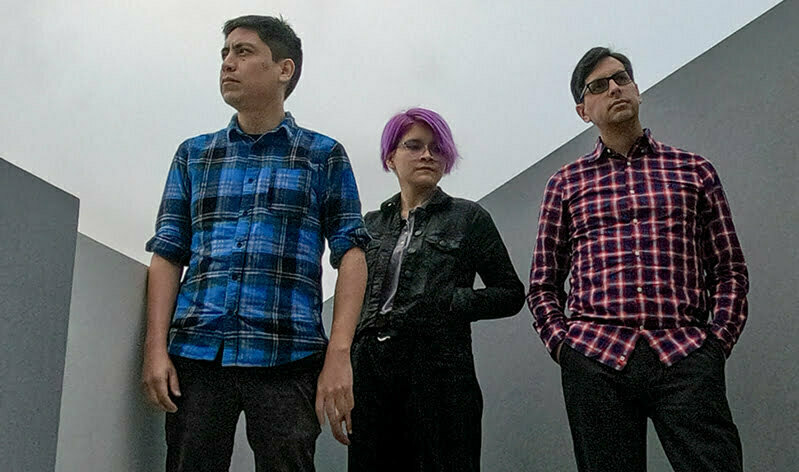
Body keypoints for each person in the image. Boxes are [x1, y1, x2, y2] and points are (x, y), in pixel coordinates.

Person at [141, 15, 369, 472]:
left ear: (284, 69)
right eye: (225, 53)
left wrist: (339, 355)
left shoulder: (322, 154)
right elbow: (168, 252)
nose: (228, 63)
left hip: (289, 354)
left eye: (243, 52)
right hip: (197, 353)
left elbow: (352, 252)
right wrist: (154, 348)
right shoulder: (194, 154)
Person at [528, 47, 748, 472]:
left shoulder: (694, 171)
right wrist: (564, 347)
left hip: (685, 352)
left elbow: (729, 269)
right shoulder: (564, 184)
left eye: (622, 78)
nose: (614, 88)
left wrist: (716, 343)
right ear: (583, 111)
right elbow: (543, 283)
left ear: (637, 90)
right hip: (596, 357)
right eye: (598, 86)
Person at [348, 107, 525, 471]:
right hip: (371, 375)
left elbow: (510, 293)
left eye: (437, 147)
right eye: (414, 146)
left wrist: (449, 301)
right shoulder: (370, 225)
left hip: (440, 372)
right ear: (390, 157)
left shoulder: (468, 217)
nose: (428, 154)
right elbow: (354, 303)